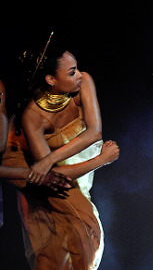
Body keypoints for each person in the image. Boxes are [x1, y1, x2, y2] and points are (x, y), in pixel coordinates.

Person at [2, 45, 119, 270]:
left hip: (57, 164)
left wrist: (48, 159)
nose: (79, 75)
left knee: (71, 232)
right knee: (81, 228)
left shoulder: (84, 82)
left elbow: (94, 132)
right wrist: (101, 160)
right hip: (25, 165)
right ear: (51, 79)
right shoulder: (32, 117)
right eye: (71, 72)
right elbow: (52, 177)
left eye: (76, 69)